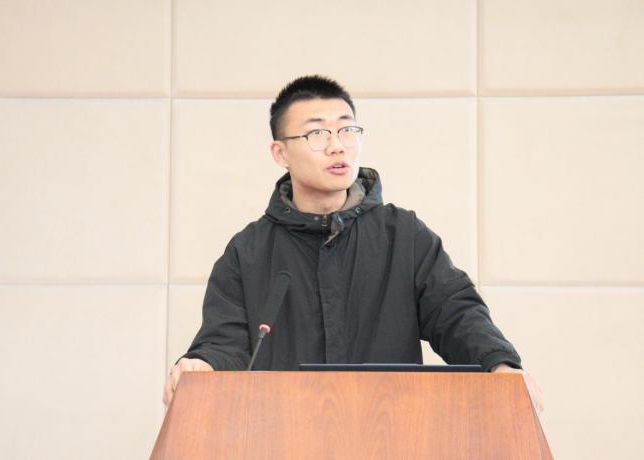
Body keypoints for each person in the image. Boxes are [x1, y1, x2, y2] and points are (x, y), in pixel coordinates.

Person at [162, 75, 543, 413]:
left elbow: (456, 313)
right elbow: (224, 342)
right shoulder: (248, 251)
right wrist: (200, 364)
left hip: (390, 431)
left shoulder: (403, 235)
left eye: (347, 130)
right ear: (281, 153)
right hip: (283, 433)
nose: (337, 146)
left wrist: (499, 363)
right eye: (317, 134)